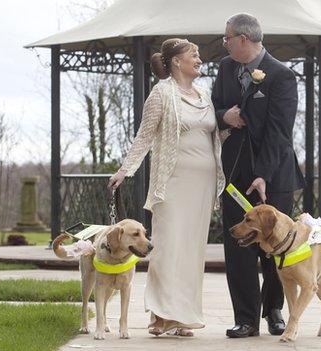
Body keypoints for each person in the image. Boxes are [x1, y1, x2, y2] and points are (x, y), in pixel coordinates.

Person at [108, 38, 225, 337]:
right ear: (176, 61)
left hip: (203, 183)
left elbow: (212, 134)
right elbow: (144, 137)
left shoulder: (204, 94)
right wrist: (126, 169)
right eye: (194, 55)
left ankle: (183, 316)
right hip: (171, 182)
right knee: (168, 246)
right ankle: (160, 315)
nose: (199, 59)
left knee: (191, 249)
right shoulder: (161, 94)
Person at [211, 13, 305, 338]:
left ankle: (274, 310)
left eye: (226, 38)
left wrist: (264, 174)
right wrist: (227, 116)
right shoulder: (225, 68)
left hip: (274, 175)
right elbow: (214, 108)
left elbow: (281, 133)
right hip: (236, 173)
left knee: (275, 244)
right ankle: (246, 318)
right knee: (239, 244)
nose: (223, 43)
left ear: (243, 39)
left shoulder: (282, 76)